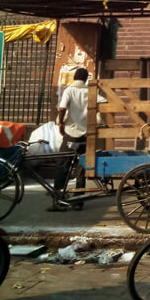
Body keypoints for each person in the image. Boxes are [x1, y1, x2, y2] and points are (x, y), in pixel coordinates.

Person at [52, 67, 92, 210]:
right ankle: (78, 202)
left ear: (74, 77)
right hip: (85, 135)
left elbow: (62, 109)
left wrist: (61, 123)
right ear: (86, 78)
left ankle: (58, 200)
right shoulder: (90, 92)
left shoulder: (69, 90)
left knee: (62, 164)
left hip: (71, 134)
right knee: (81, 167)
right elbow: (103, 101)